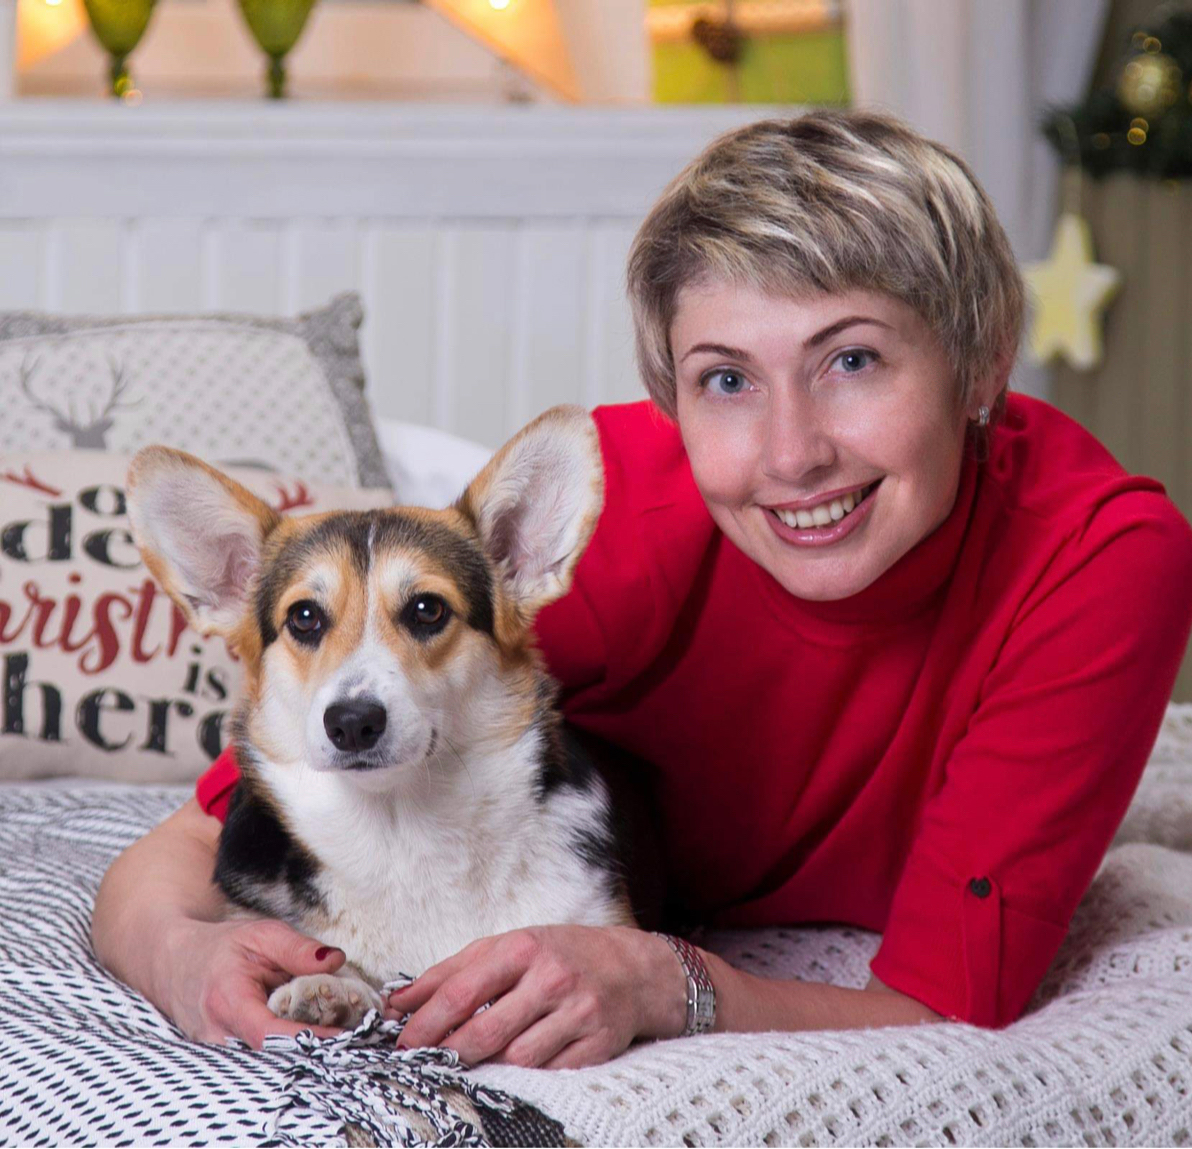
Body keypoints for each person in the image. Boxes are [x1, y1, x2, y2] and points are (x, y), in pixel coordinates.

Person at [92, 108, 1192, 1070]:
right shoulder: (623, 512)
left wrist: (669, 986)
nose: (790, 454)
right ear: (670, 394)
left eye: (850, 360)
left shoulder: (1098, 560)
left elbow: (943, 1001)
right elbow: (193, 846)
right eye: (724, 379)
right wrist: (185, 955)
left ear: (982, 356)